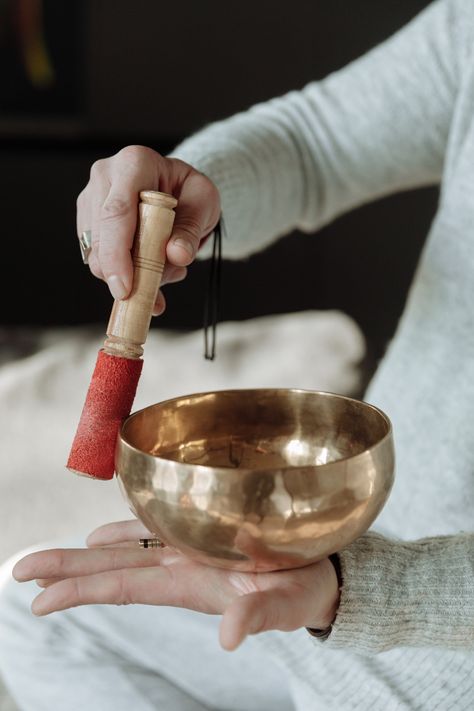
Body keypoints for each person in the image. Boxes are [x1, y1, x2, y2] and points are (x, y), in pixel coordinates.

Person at [1, 0, 474, 708]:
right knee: (34, 611)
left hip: (434, 641)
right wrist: (189, 191)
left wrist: (356, 590)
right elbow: (312, 144)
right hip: (341, 561)